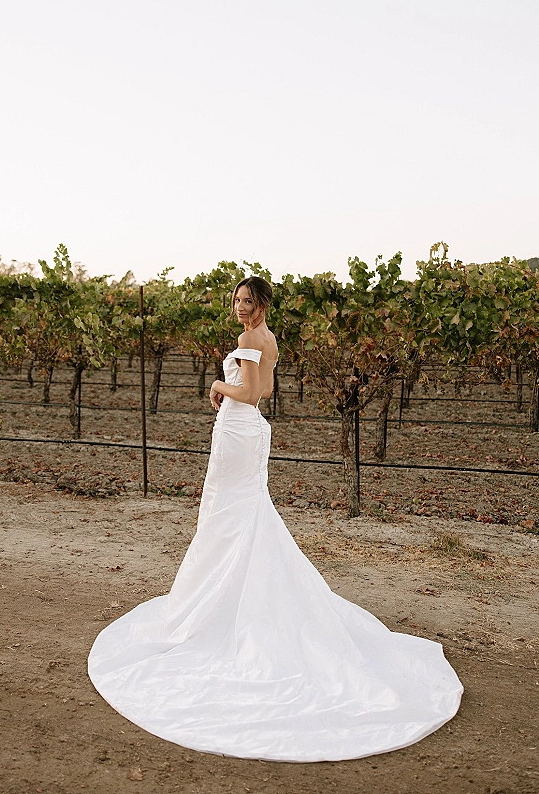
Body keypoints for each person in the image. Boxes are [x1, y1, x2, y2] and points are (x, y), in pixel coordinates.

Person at [88, 276, 462, 762]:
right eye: (237, 300)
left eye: (248, 300)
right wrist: (235, 389)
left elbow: (248, 393)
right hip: (250, 431)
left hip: (237, 428)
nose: (240, 306)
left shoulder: (249, 338)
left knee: (226, 512)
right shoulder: (269, 339)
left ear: (262, 303)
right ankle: (234, 588)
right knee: (240, 512)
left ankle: (219, 602)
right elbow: (262, 389)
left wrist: (216, 385)